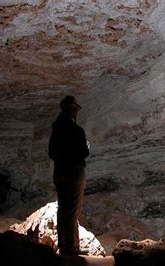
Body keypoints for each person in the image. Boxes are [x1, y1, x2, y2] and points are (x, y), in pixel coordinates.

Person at [48, 95, 90, 256]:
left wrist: (62, 160)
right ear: (73, 111)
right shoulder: (76, 130)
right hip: (75, 171)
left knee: (63, 207)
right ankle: (72, 246)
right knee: (73, 208)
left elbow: (51, 152)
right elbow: (84, 152)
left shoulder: (56, 129)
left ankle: (62, 245)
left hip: (59, 171)